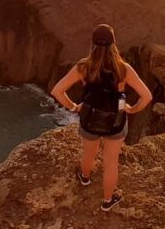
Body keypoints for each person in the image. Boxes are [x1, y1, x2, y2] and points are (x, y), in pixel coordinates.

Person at [51, 24, 152, 212]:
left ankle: (85, 178)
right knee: (111, 162)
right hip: (115, 122)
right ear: (114, 43)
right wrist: (132, 109)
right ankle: (107, 201)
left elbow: (57, 91)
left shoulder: (83, 66)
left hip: (89, 120)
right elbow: (147, 96)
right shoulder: (124, 69)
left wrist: (74, 107)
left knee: (88, 153)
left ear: (93, 43)